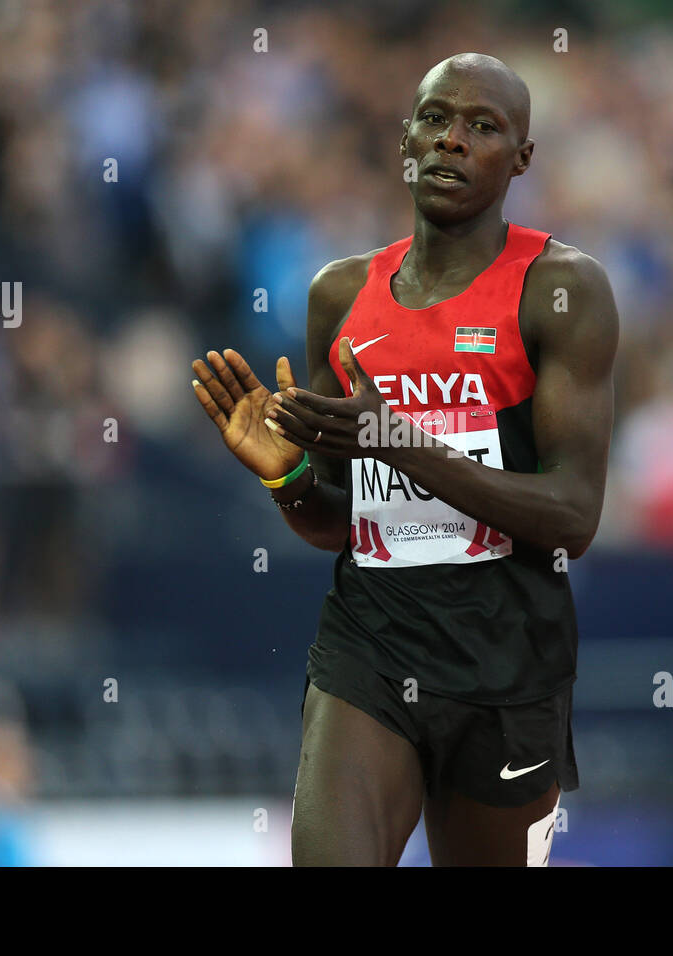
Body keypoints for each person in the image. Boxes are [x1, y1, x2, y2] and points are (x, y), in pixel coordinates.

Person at [191, 52, 618, 865]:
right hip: (371, 646)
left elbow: (574, 516)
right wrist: (285, 475)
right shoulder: (339, 297)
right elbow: (338, 520)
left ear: (521, 159)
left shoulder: (562, 290)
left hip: (510, 662)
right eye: (434, 119)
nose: (452, 141)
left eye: (482, 127)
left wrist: (401, 442)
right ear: (404, 143)